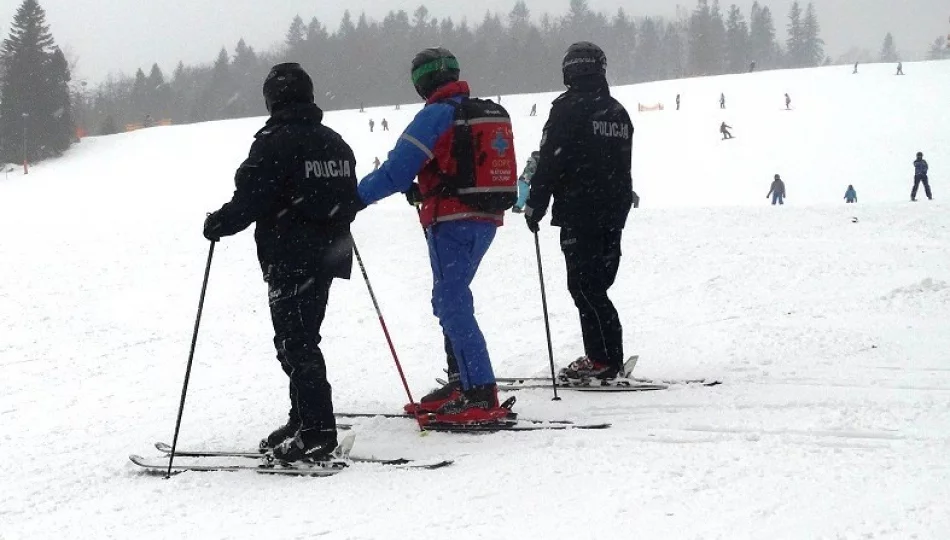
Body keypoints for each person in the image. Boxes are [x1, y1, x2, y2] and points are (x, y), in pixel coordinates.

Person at [202, 63, 363, 462]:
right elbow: (349, 199)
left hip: (291, 255)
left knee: (297, 343)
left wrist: (219, 222)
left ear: (273, 99)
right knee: (299, 339)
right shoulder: (335, 141)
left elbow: (252, 197)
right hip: (328, 255)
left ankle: (317, 432)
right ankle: (303, 418)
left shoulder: (274, 142)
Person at [357, 47, 515, 424]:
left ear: (421, 82)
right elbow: (455, 164)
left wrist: (353, 198)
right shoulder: (479, 112)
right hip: (485, 216)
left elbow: (395, 171)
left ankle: (478, 391)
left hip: (452, 219)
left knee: (452, 300)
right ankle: (463, 382)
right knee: (450, 297)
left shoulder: (436, 116)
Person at [524, 42, 635, 382]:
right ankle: (604, 355)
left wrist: (535, 205)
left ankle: (603, 359)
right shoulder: (616, 111)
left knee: (585, 287)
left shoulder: (568, 109)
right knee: (596, 285)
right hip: (612, 212)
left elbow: (552, 161)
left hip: (580, 210)